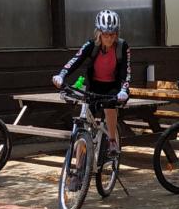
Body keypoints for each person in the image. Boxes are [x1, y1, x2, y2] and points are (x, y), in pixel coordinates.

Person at [52, 10, 131, 154]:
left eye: (112, 34)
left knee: (109, 106)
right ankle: (79, 165)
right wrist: (62, 75)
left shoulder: (122, 46)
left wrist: (124, 89)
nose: (109, 38)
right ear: (99, 32)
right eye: (105, 34)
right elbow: (75, 60)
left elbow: (126, 70)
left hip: (113, 86)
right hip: (94, 85)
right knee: (84, 123)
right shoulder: (91, 45)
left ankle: (112, 140)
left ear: (117, 33)